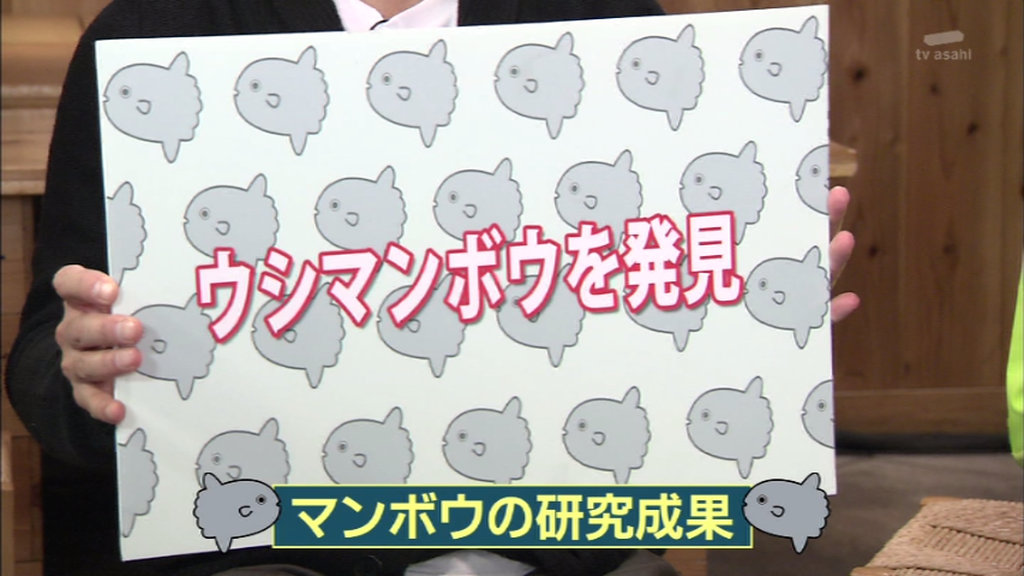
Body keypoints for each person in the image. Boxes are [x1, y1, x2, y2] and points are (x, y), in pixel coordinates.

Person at [4, 0, 860, 575]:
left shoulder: (608, 23)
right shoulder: (154, 34)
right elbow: (44, 357)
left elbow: (654, 315)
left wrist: (750, 327)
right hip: (255, 552)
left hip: (554, 547)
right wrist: (83, 374)